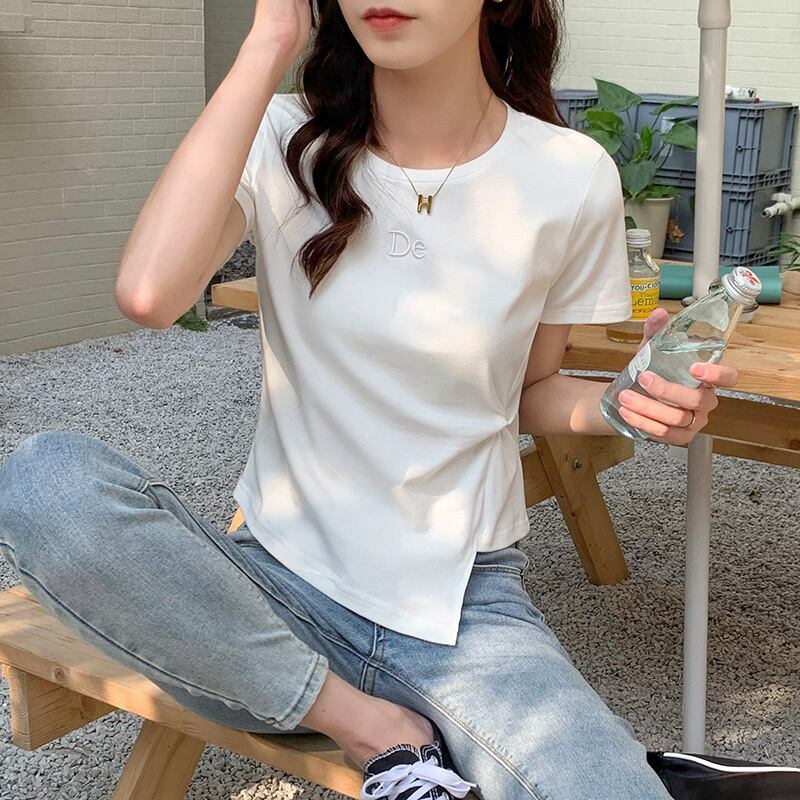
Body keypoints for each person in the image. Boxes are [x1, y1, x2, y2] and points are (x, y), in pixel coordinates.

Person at [0, 1, 739, 798]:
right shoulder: (281, 135)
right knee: (47, 483)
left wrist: (622, 403)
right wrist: (268, 41)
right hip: (267, 593)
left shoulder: (568, 172)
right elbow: (149, 294)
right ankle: (376, 732)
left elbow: (526, 391)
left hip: (462, 609)